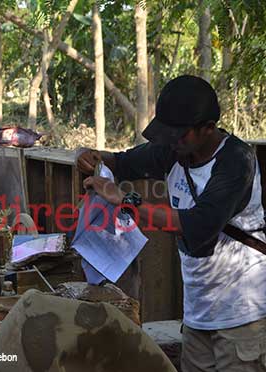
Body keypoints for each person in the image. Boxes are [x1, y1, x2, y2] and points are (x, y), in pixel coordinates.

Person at [76, 75, 266, 372]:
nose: (173, 141)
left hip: (241, 315)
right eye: (169, 134)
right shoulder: (174, 149)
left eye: (181, 134)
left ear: (208, 129)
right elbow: (123, 162)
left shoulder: (235, 160)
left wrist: (125, 201)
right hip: (197, 315)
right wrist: (90, 158)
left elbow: (198, 224)